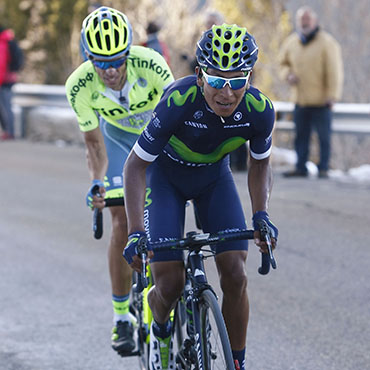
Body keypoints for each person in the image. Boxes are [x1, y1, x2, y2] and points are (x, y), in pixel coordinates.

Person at [123, 24, 278, 370]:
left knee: (236, 274)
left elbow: (260, 165)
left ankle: (236, 362)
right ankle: (160, 331)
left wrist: (261, 215)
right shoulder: (178, 102)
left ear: (249, 79)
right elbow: (135, 168)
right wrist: (135, 232)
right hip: (166, 180)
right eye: (216, 80)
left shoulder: (260, 110)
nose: (227, 92)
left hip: (213, 181)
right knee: (169, 281)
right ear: (199, 76)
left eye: (237, 80)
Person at [65, 6, 174, 355]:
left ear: (129, 53)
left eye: (117, 61)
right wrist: (97, 182)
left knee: (163, 215)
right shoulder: (79, 85)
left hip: (157, 139)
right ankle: (121, 317)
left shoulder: (153, 64)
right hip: (117, 141)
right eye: (101, 62)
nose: (110, 70)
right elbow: (94, 145)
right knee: (121, 221)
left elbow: (178, 116)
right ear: (87, 57)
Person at [279, 6, 343, 178]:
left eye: (307, 19)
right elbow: (282, 64)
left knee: (323, 137)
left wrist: (332, 95)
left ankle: (323, 168)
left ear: (315, 21)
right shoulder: (292, 42)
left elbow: (334, 71)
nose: (305, 22)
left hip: (322, 100)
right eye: (302, 20)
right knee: (301, 136)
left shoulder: (327, 42)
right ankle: (301, 167)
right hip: (300, 99)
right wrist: (288, 75)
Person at [0, 25, 17, 140]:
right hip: (9, 78)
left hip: (4, 79)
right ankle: (8, 131)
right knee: (6, 106)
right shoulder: (8, 40)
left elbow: (1, 64)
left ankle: (9, 132)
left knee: (5, 106)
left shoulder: (3, 42)